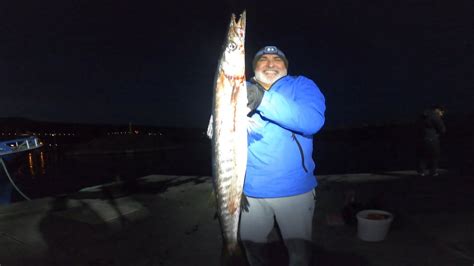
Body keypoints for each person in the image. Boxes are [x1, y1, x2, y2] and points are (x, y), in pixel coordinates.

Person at [242, 46, 326, 265]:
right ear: (254, 67)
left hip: (294, 190)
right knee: (252, 250)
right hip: (248, 193)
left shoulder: (301, 85)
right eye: (263, 59)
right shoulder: (239, 90)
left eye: (277, 59)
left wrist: (262, 99)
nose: (270, 63)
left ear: (286, 66)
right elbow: (218, 130)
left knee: (298, 253)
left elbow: (312, 121)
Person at [416, 105, 446, 176]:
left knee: (422, 155)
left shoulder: (422, 115)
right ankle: (433, 172)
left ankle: (421, 172)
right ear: (438, 110)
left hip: (422, 138)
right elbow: (442, 129)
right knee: (434, 155)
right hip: (432, 138)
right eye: (442, 113)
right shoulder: (435, 116)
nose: (441, 115)